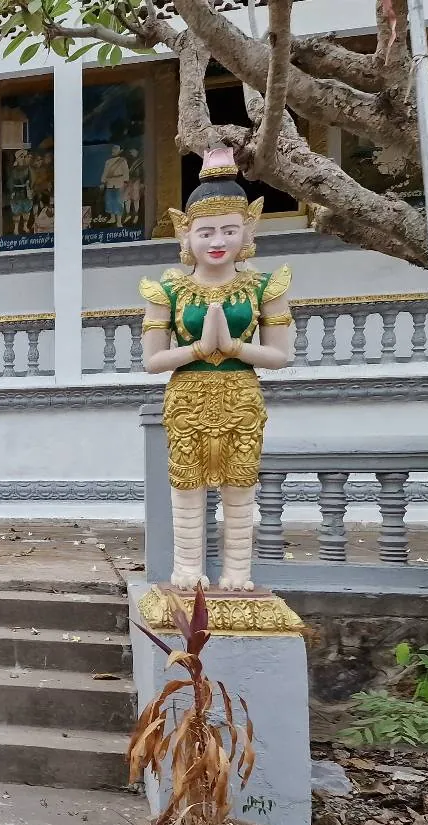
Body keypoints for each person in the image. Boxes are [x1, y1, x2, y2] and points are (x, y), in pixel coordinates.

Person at [140, 147, 294, 593]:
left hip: (242, 395)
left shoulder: (265, 286)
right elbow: (153, 361)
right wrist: (199, 350)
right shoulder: (167, 289)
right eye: (205, 232)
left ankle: (238, 573)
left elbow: (280, 356)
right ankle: (188, 569)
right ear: (185, 235)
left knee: (239, 483)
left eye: (229, 229)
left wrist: (233, 347)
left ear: (248, 231)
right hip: (186, 396)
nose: (217, 241)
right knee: (187, 485)